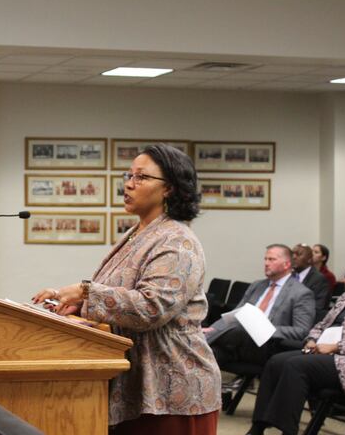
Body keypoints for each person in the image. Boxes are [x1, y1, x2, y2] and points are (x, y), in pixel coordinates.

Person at [32, 145, 221, 434]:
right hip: (139, 383)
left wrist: (85, 293)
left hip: (173, 385)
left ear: (169, 188)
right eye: (128, 175)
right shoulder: (138, 233)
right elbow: (119, 293)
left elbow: (151, 308)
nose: (129, 184)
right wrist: (79, 306)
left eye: (141, 177)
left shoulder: (177, 241)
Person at [247, 252, 345, 435]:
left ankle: (287, 431)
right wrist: (312, 339)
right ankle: (258, 427)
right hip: (324, 350)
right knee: (276, 362)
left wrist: (336, 347)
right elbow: (323, 323)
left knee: (296, 365)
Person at [205, 244, 315, 366]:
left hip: (268, 344)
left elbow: (302, 331)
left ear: (287, 264)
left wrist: (266, 330)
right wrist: (211, 330)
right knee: (212, 354)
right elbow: (234, 316)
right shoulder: (257, 285)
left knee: (240, 330)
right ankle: (202, 348)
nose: (266, 263)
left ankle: (202, 345)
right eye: (265, 259)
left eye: (271, 259)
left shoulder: (301, 293)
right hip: (238, 341)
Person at [292, 243, 332, 320]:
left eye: (298, 254)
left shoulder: (319, 279)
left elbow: (318, 309)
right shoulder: (289, 276)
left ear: (309, 259)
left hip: (305, 322)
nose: (294, 257)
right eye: (292, 254)